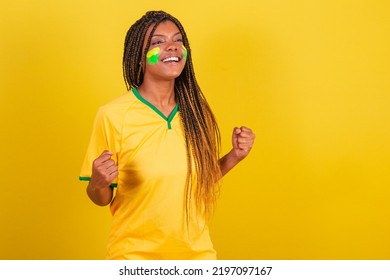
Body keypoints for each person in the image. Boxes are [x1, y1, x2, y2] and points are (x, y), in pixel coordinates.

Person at [79, 10, 255, 260]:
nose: (172, 47)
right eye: (157, 42)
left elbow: (200, 180)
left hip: (197, 257)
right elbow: (101, 198)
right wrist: (98, 182)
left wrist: (235, 156)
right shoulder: (113, 115)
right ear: (139, 57)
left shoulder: (197, 112)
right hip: (134, 258)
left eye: (178, 40)